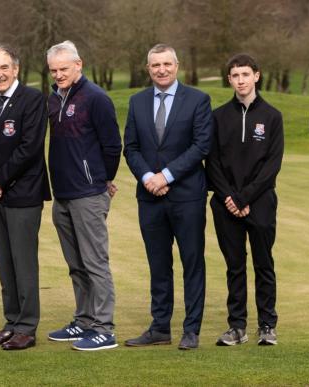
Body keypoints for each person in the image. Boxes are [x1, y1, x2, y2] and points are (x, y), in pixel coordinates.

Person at [123, 44, 212, 350]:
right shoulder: (137, 102)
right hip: (150, 198)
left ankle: (191, 329)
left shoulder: (198, 100)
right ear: (148, 68)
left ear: (177, 65)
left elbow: (201, 146)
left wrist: (166, 176)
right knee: (158, 264)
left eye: (166, 64)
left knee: (192, 263)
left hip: (186, 196)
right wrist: (148, 177)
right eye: (155, 65)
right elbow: (131, 148)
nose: (161, 69)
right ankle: (160, 327)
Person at [43, 41, 122, 351]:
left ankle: (104, 328)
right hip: (61, 193)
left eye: (64, 68)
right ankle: (84, 320)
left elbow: (112, 146)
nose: (59, 74)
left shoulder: (96, 98)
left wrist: (103, 179)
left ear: (79, 65)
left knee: (95, 263)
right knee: (76, 264)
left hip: (88, 193)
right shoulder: (52, 98)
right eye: (54, 70)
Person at [207, 53, 284, 346]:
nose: (240, 80)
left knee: (264, 264)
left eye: (245, 74)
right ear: (230, 79)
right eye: (235, 75)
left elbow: (272, 165)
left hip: (261, 201)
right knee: (235, 266)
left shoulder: (272, 116)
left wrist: (245, 197)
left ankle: (267, 325)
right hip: (226, 204)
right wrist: (230, 198)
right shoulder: (218, 116)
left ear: (256, 76)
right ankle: (237, 326)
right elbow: (212, 162)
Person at [0, 44, 50, 351]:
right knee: (5, 262)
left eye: (4, 67)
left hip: (22, 193)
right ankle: (11, 322)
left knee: (23, 262)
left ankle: (27, 326)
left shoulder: (32, 99)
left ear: (16, 69)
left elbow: (29, 148)